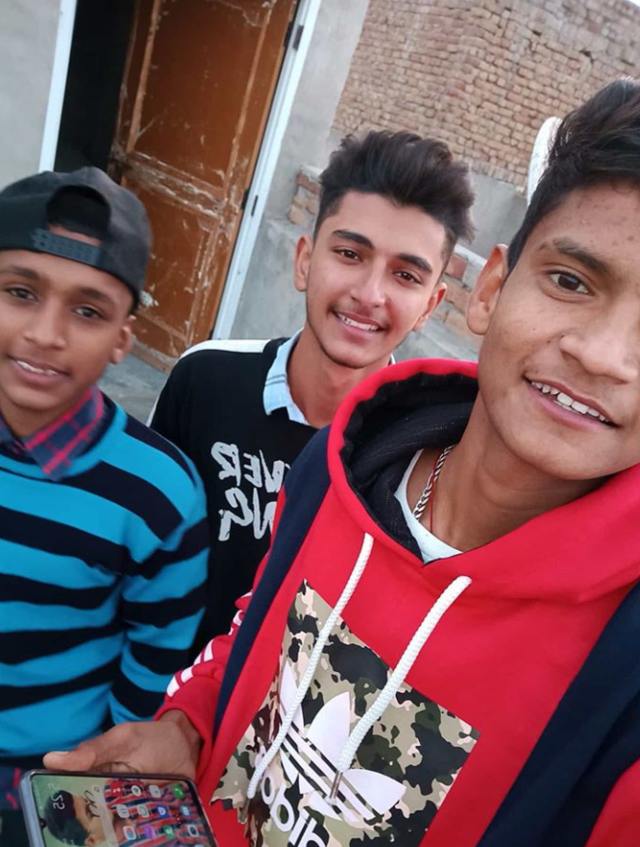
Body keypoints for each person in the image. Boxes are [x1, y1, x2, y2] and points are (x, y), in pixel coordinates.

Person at [47, 78, 640, 846]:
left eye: (406, 272)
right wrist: (188, 722)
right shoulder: (342, 467)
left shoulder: (621, 673)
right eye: (570, 281)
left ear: (437, 297)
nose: (603, 354)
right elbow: (260, 630)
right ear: (492, 288)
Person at [150, 130, 475, 650]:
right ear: (304, 260)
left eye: (405, 276)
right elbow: (146, 540)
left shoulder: (426, 457)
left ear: (429, 307)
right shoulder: (205, 378)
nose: (369, 294)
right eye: (349, 253)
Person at [0, 168, 208, 843]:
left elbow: (155, 651)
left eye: (87, 310)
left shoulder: (160, 493)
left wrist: (96, 774)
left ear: (123, 338)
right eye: (21, 292)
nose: (46, 333)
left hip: (47, 785)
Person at [40, 779, 206, 846]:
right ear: (92, 840)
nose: (96, 803)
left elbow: (165, 779)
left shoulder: (114, 788)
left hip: (198, 784)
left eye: (87, 799)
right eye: (90, 811)